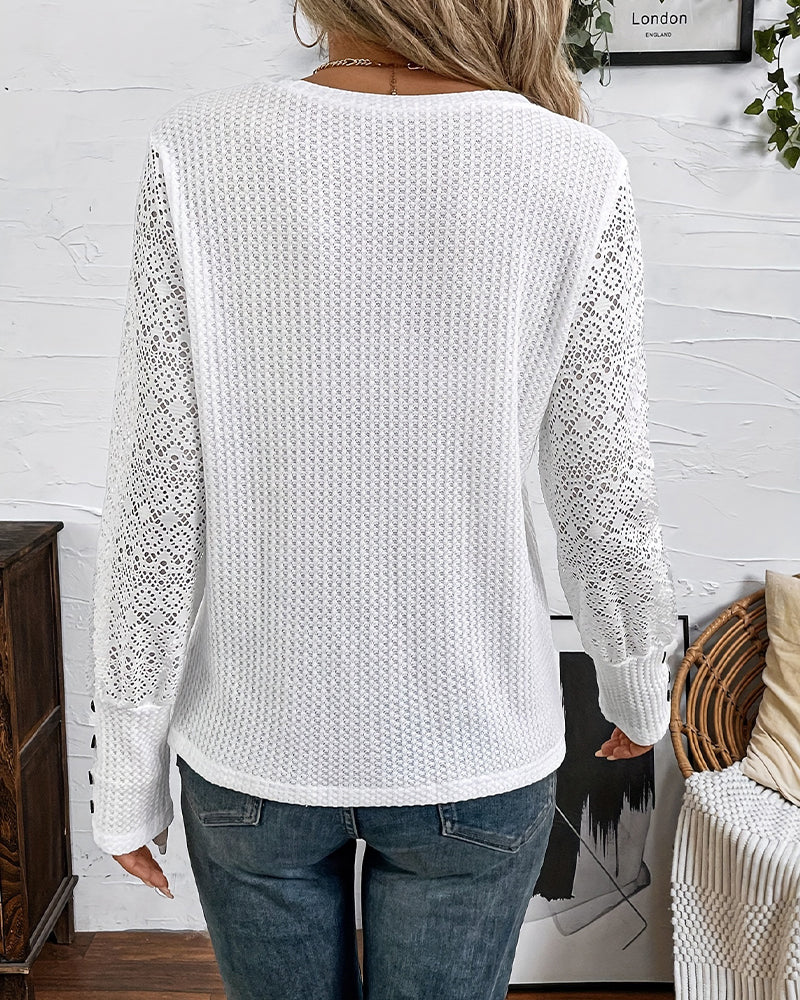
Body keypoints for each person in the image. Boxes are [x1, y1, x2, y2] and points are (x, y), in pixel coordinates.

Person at [89, 1, 679, 997]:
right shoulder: (575, 170)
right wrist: (634, 686)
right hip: (473, 741)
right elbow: (603, 486)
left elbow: (156, 489)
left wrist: (125, 769)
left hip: (254, 749)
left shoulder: (197, 153)